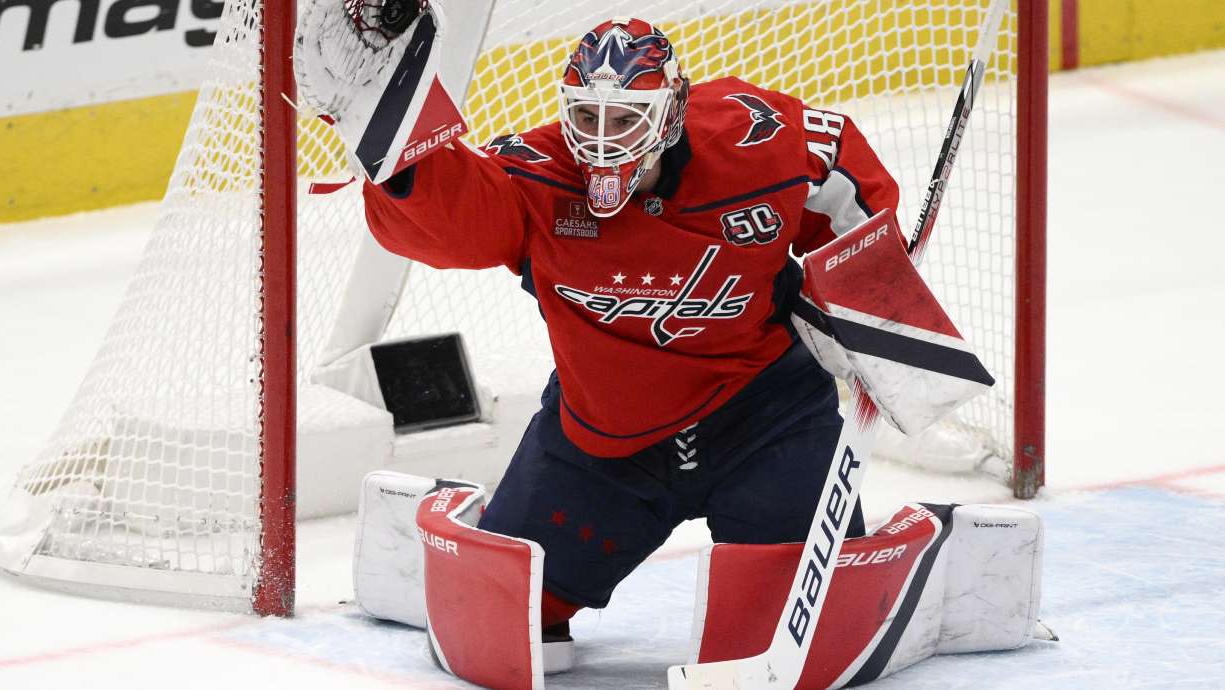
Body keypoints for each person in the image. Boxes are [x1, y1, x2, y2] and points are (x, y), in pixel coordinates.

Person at [361, 17, 899, 638]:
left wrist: (869, 291)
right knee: (498, 619)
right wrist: (390, 135)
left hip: (767, 426)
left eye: (624, 119)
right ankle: (467, 527)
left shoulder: (757, 144)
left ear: (670, 111)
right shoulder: (537, 178)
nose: (602, 140)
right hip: (605, 445)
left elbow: (843, 178)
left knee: (804, 626)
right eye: (587, 117)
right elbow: (448, 211)